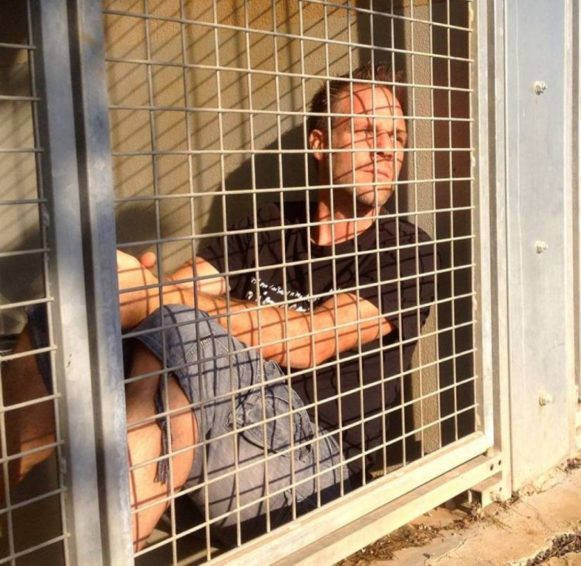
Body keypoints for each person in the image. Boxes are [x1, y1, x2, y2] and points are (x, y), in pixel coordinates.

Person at [1, 62, 435, 549]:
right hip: (212, 430)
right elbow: (177, 286)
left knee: (177, 324)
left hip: (314, 463)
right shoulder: (268, 222)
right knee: (63, 314)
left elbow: (311, 339)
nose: (385, 149)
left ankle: (113, 546)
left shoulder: (409, 251)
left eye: (397, 137)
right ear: (318, 144)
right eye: (365, 130)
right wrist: (134, 287)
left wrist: (153, 295)